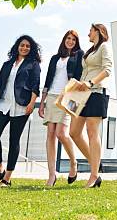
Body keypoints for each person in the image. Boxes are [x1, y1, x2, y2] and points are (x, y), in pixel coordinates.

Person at [0, 35, 41, 187]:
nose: (25, 48)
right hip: (2, 104)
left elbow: (36, 86)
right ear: (17, 46)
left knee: (14, 140)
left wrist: (31, 103)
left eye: (28, 46)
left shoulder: (33, 64)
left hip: (21, 106)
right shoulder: (7, 64)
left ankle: (7, 178)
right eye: (22, 45)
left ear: (31, 49)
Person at [69, 23, 112, 188]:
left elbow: (107, 70)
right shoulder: (89, 51)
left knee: (92, 132)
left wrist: (90, 82)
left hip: (96, 92)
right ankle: (95, 163)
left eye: (90, 31)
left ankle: (94, 176)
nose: (88, 33)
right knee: (73, 132)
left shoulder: (104, 47)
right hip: (81, 94)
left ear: (98, 32)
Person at [39, 30, 84, 186]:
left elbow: (79, 77)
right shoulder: (55, 58)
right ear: (64, 40)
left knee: (61, 133)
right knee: (50, 134)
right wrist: (42, 101)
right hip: (51, 96)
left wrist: (73, 100)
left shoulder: (79, 55)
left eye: (73, 39)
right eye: (68, 38)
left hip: (67, 96)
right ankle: (52, 175)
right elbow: (48, 79)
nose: (70, 41)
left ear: (76, 42)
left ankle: (73, 162)